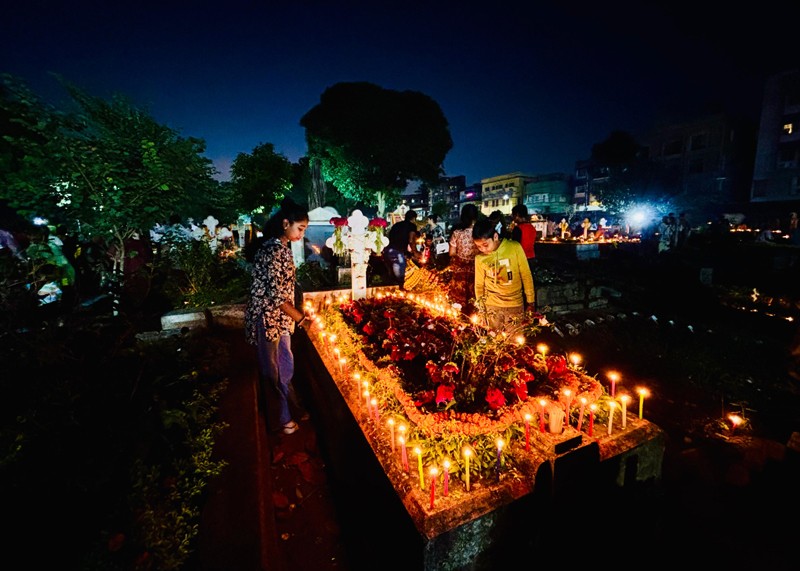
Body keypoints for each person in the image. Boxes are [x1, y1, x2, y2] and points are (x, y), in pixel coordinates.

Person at [244, 198, 310, 436]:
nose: (302, 234)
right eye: (300, 228)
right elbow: (275, 295)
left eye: (304, 229)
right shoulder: (272, 250)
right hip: (268, 319)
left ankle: (290, 409)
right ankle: (279, 419)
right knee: (271, 371)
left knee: (285, 365)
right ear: (285, 223)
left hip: (280, 320)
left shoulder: (281, 248)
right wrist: (302, 319)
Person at [472, 216, 535, 330]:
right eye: (479, 246)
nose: (483, 249)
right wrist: (481, 308)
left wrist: (530, 302)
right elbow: (479, 285)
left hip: (514, 305)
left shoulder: (514, 248)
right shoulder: (480, 259)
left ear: (495, 236)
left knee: (515, 342)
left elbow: (526, 275)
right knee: (494, 341)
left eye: (485, 245)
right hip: (491, 306)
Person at [447, 203, 480, 313]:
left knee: (459, 301)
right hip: (477, 269)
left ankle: (459, 325)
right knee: (475, 298)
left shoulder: (457, 232)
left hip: (460, 269)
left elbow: (451, 253)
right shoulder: (480, 232)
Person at [384, 209, 418, 289]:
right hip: (397, 252)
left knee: (391, 276)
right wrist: (415, 252)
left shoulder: (396, 225)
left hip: (388, 250)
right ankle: (400, 291)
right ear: (413, 218)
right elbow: (411, 240)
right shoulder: (412, 226)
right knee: (400, 277)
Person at [510, 203, 536, 276]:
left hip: (521, 259)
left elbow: (515, 246)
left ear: (517, 215)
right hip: (531, 258)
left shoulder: (518, 229)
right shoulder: (531, 227)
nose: (513, 217)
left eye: (513, 215)